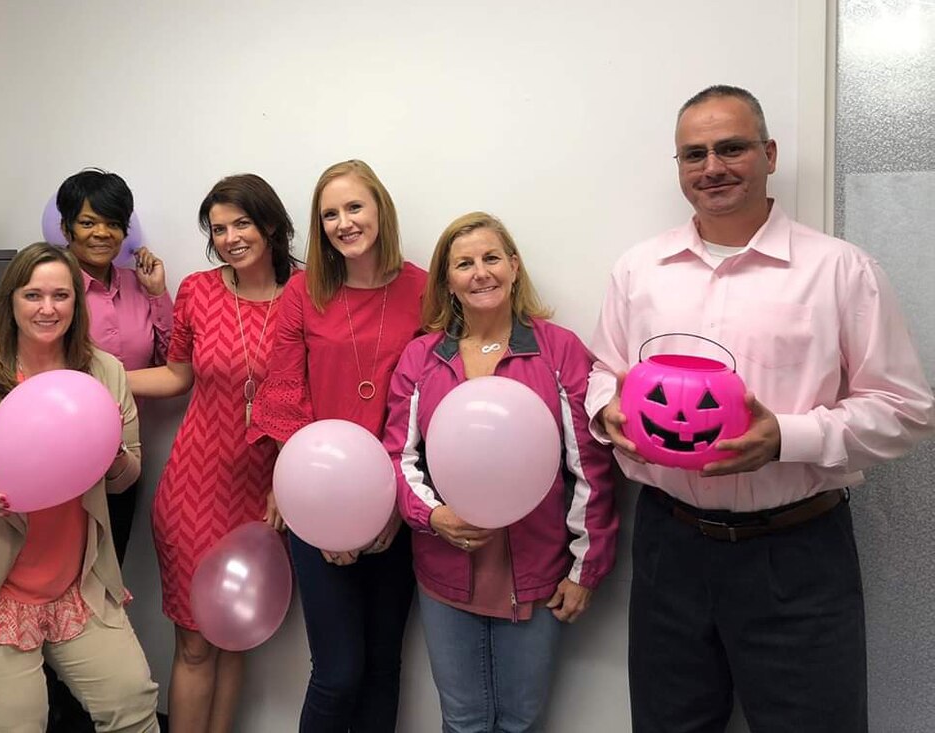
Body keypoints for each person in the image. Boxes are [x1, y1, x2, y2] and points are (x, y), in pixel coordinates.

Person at [585, 85, 935, 733]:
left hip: (796, 552)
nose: (712, 166)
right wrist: (607, 411)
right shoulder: (640, 270)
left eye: (731, 147)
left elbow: (907, 408)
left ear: (769, 153)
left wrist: (786, 437)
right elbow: (605, 370)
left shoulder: (840, 271)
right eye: (694, 154)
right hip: (669, 546)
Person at [0, 242, 159, 733]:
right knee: (18, 724)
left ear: (76, 305)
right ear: (11, 302)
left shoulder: (105, 372)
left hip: (73, 584)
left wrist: (114, 456)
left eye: (61, 295)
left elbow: (128, 476)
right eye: (33, 295)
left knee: (132, 703)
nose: (48, 308)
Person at [383, 212, 618, 733]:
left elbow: (591, 470)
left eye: (491, 258)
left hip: (538, 570)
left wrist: (585, 569)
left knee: (521, 721)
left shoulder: (559, 349)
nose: (480, 272)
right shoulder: (422, 357)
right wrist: (433, 515)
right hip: (445, 568)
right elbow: (397, 456)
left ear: (514, 266)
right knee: (463, 720)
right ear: (447, 280)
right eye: (463, 263)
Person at [249, 159, 425, 732]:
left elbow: (429, 402)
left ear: (380, 210)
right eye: (330, 214)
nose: (344, 222)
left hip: (398, 501)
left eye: (354, 207)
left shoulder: (424, 289)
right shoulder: (304, 292)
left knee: (381, 666)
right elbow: (283, 390)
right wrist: (323, 514)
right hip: (316, 496)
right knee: (339, 670)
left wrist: (390, 508)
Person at [127, 174, 301, 733]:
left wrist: (292, 483)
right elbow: (178, 375)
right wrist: (100, 377)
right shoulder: (199, 291)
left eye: (241, 224)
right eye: (218, 228)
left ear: (270, 225)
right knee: (198, 642)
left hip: (268, 493)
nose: (228, 238)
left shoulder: (306, 296)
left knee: (236, 639)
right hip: (192, 489)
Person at [56, 168, 173, 565]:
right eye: (88, 222)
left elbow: (172, 362)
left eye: (112, 223)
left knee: (109, 572)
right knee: (56, 578)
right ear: (66, 227)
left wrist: (158, 294)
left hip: (123, 459)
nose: (101, 233)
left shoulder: (138, 285)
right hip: (58, 453)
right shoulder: (52, 287)